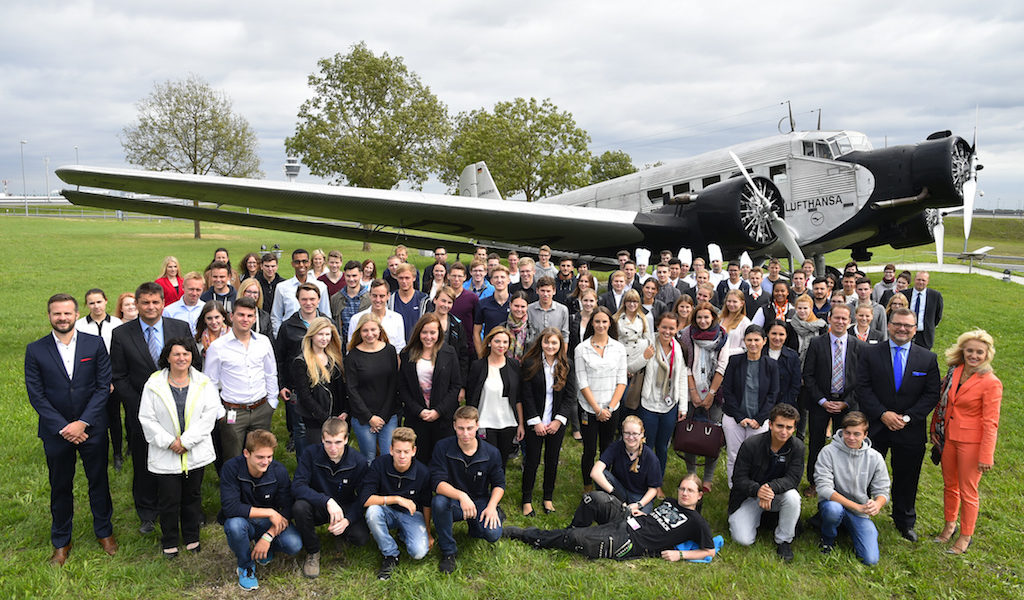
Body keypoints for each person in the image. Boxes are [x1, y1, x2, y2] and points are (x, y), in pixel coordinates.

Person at [25, 293, 116, 566]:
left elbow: (103, 387)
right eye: (56, 313)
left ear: (76, 314)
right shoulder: (36, 349)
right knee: (60, 486)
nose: (62, 318)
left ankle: (104, 532)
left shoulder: (94, 344)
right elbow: (36, 395)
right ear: (49, 316)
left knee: (98, 482)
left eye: (67, 313)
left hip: (92, 428)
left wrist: (82, 422)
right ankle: (61, 541)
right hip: (56, 432)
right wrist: (64, 427)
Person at [110, 282, 196, 534]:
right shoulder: (122, 334)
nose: (150, 307)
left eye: (155, 302)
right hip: (141, 411)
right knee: (144, 460)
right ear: (136, 305)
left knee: (178, 457)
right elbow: (119, 376)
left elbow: (193, 364)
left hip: (179, 408)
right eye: (145, 303)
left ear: (163, 303)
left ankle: (182, 506)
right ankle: (147, 512)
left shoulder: (179, 328)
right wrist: (143, 406)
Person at [855, 307, 940, 542]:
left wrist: (907, 417)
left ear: (915, 329)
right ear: (889, 325)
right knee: (866, 474)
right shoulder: (871, 353)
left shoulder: (927, 358)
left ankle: (904, 521)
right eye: (897, 324)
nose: (902, 329)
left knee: (907, 477)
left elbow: (932, 394)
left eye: (907, 326)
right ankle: (861, 515)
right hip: (876, 426)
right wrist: (883, 414)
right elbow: (862, 388)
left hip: (909, 430)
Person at [504, 474, 716, 562]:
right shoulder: (670, 501)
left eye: (689, 490)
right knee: (593, 499)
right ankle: (567, 534)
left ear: (699, 495)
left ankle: (526, 535)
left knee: (578, 538)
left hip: (630, 541)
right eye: (682, 488)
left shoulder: (697, 522)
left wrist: (680, 556)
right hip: (629, 519)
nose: (684, 493)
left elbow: (710, 551)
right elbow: (660, 521)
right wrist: (645, 514)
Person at [138, 338, 219, 557]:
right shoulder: (154, 384)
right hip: (166, 453)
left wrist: (186, 441)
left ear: (192, 356)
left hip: (194, 452)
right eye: (176, 354)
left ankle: (192, 537)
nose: (181, 358)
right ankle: (170, 540)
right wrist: (170, 442)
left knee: (192, 496)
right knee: (169, 500)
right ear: (167, 357)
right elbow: (147, 418)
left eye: (186, 354)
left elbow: (209, 415)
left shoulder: (203, 382)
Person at [930, 329, 1002, 555]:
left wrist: (986, 455)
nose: (974, 355)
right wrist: (936, 430)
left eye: (979, 352)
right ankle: (949, 525)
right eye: (970, 350)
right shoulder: (955, 371)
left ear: (987, 354)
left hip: (972, 443)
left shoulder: (991, 382)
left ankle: (965, 535)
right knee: (949, 485)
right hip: (949, 437)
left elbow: (991, 422)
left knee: (968, 491)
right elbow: (943, 403)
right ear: (963, 351)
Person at [219, 430, 301, 590]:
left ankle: (264, 545)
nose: (265, 461)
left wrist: (268, 537)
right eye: (260, 457)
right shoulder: (231, 468)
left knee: (294, 544)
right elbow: (230, 508)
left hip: (269, 523)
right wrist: (270, 512)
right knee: (234, 526)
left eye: (269, 457)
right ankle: (246, 566)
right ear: (246, 453)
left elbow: (287, 509)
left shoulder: (279, 470)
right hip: (243, 520)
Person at [430, 405, 505, 574]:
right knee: (438, 502)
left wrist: (492, 506)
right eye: (461, 428)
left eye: (470, 428)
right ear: (454, 426)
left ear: (477, 426)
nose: (465, 433)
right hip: (454, 501)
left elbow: (499, 484)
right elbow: (437, 483)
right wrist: (461, 496)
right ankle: (448, 552)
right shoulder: (442, 447)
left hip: (480, 501)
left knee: (492, 535)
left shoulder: (492, 452)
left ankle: (477, 524)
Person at [291, 417, 369, 579]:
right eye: (328, 442)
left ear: (347, 439)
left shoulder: (359, 461)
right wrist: (326, 501)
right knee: (299, 507)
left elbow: (363, 497)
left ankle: (341, 533)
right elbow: (298, 486)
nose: (333, 448)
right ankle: (313, 551)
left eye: (338, 442)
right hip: (318, 504)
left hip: (344, 507)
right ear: (322, 439)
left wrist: (348, 519)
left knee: (360, 538)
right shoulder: (310, 454)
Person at [204, 297, 280, 460]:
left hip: (261, 408)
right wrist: (220, 413)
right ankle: (233, 485)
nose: (245, 319)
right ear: (232, 316)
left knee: (260, 454)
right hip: (233, 412)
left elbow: (270, 373)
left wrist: (272, 402)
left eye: (250, 316)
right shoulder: (218, 347)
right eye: (241, 315)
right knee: (233, 457)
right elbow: (209, 382)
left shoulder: (263, 342)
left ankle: (258, 485)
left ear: (255, 318)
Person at [727, 403, 803, 562]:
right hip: (749, 497)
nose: (784, 431)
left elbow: (793, 478)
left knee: (793, 497)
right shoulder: (751, 444)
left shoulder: (797, 447)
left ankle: (784, 540)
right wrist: (757, 490)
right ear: (770, 424)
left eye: (789, 427)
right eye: (780, 426)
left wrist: (769, 489)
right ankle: (766, 519)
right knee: (743, 540)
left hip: (777, 495)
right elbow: (738, 479)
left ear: (794, 428)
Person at [814, 411, 890, 565]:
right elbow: (824, 489)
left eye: (857, 434)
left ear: (865, 434)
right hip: (833, 504)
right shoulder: (828, 452)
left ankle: (846, 525)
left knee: (871, 559)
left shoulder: (875, 457)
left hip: (859, 511)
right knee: (833, 510)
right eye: (847, 433)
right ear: (842, 431)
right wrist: (857, 507)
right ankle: (827, 539)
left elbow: (882, 490)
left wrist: (877, 504)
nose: (851, 438)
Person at [802, 304, 863, 495]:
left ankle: (840, 482)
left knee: (845, 444)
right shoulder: (817, 343)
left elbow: (863, 379)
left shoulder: (859, 346)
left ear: (850, 321)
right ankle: (814, 481)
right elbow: (808, 375)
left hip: (847, 403)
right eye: (836, 317)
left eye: (844, 318)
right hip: (821, 402)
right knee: (816, 444)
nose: (840, 322)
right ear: (829, 318)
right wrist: (821, 400)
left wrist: (846, 402)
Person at [520, 327, 577, 516]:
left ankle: (547, 498)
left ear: (560, 344)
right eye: (547, 342)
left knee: (552, 461)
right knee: (532, 461)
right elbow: (525, 395)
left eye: (554, 342)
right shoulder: (530, 363)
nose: (550, 346)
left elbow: (570, 397)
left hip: (556, 424)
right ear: (541, 343)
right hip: (535, 423)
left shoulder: (566, 365)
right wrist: (535, 422)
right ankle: (526, 499)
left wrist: (558, 421)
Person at [362, 427, 433, 580]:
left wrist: (428, 531)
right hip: (386, 510)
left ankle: (403, 534)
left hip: (412, 514)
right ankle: (391, 554)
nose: (402, 456)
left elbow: (427, 504)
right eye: (398, 451)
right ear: (391, 449)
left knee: (418, 553)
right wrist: (396, 499)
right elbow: (365, 499)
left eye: (406, 452)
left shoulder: (423, 472)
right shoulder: (379, 464)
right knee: (372, 512)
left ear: (414, 451)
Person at [399, 313, 463, 464]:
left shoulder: (449, 353)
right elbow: (402, 388)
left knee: (442, 460)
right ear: (418, 333)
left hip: (442, 418)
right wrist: (419, 411)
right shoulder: (407, 354)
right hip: (416, 418)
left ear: (439, 333)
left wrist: (438, 411)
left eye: (432, 332)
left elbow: (455, 386)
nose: (429, 337)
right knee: (419, 460)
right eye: (425, 332)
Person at [678, 302, 729, 492]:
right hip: (691, 391)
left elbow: (722, 366)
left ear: (713, 318)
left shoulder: (723, 336)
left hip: (714, 394)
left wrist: (710, 395)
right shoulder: (686, 334)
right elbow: (685, 365)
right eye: (699, 317)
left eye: (706, 317)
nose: (703, 320)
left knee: (712, 436)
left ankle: (707, 479)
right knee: (690, 433)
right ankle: (691, 474)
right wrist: (694, 393)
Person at [575, 306, 627, 490]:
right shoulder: (582, 349)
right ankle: (588, 484)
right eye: (597, 321)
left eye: (604, 321)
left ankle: (604, 484)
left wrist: (609, 409)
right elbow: (582, 383)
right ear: (592, 323)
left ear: (610, 324)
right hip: (589, 409)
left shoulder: (619, 348)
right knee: (589, 449)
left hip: (612, 408)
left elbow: (622, 381)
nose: (601, 325)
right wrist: (597, 410)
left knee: (608, 447)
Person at [721, 324, 779, 486]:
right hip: (734, 418)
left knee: (757, 457)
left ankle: (751, 487)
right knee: (734, 455)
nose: (753, 343)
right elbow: (727, 391)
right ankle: (734, 488)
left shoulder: (771, 365)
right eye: (749, 340)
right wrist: (740, 417)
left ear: (764, 341)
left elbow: (772, 395)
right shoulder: (735, 361)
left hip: (759, 420)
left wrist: (759, 420)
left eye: (757, 340)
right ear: (744, 341)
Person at [275, 283, 328, 455]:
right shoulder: (288, 326)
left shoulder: (327, 323)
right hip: (296, 387)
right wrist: (282, 385)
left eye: (312, 299)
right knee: (301, 429)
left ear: (319, 300)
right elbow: (280, 358)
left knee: (324, 427)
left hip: (323, 388)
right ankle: (303, 466)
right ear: (298, 300)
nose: (308, 303)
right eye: (304, 299)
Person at [637, 312, 688, 482]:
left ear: (677, 329)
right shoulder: (649, 343)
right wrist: (644, 357)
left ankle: (657, 481)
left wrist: (682, 407)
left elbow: (681, 377)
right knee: (647, 445)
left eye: (671, 328)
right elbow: (631, 366)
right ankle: (643, 479)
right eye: (664, 327)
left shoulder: (677, 348)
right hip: (649, 405)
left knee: (662, 447)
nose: (667, 331)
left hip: (669, 405)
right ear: (658, 326)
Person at [345, 313, 400, 462]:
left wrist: (382, 416)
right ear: (359, 332)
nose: (370, 334)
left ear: (380, 330)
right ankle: (370, 485)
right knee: (368, 458)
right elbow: (352, 390)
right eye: (365, 331)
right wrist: (369, 417)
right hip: (363, 417)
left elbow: (393, 384)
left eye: (373, 330)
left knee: (388, 456)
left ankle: (387, 485)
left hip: (388, 414)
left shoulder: (390, 351)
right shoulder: (352, 356)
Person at [467, 326, 524, 471]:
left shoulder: (514, 365)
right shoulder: (478, 366)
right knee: (485, 460)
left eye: (505, 342)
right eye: (497, 341)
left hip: (508, 422)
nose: (501, 345)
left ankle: (498, 489)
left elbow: (518, 397)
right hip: (484, 422)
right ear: (489, 342)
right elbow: (471, 397)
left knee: (502, 461)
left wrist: (521, 424)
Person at [290, 317, 348, 448]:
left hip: (338, 416)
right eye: (320, 334)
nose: (324, 338)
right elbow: (305, 396)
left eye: (327, 334)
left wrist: (344, 411)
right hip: (314, 420)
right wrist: (325, 418)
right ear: (311, 335)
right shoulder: (301, 361)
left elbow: (341, 388)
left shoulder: (335, 359)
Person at [588, 415, 662, 515]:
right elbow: (595, 473)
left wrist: (638, 505)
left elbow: (653, 489)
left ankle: (617, 508)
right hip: (619, 489)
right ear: (622, 433)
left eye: (635, 434)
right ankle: (613, 504)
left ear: (642, 434)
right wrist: (615, 493)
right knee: (603, 474)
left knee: (638, 523)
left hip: (639, 496)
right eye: (627, 433)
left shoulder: (651, 458)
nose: (631, 437)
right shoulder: (616, 447)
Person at [271, 249, 330, 336]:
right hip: (290, 336)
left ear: (309, 263)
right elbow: (276, 316)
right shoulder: (282, 287)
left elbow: (326, 315)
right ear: (292, 264)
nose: (301, 265)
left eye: (304, 261)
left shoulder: (321, 287)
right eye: (297, 262)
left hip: (316, 335)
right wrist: (279, 336)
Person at [614, 290, 654, 417]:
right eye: (629, 301)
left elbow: (648, 340)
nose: (632, 304)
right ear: (624, 302)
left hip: (638, 361)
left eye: (635, 301)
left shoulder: (643, 318)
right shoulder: (616, 319)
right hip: (621, 361)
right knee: (621, 397)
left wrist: (640, 361)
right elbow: (613, 342)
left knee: (633, 399)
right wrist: (623, 366)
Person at [348, 279, 406, 353]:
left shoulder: (397, 318)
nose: (378, 300)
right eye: (374, 296)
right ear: (369, 295)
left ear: (388, 296)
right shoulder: (357, 319)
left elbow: (400, 347)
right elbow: (351, 346)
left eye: (382, 296)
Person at [329, 259, 370, 344]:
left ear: (361, 275)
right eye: (348, 276)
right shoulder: (335, 299)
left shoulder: (369, 299)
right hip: (342, 345)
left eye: (354, 276)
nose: (351, 279)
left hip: (364, 344)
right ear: (344, 276)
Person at [474, 264, 512, 353]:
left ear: (508, 280)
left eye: (502, 277)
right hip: (489, 352)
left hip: (511, 353)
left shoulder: (515, 304)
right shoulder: (483, 304)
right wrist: (481, 354)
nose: (499, 280)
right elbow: (476, 332)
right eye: (496, 277)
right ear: (491, 281)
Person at [390, 263, 429, 346]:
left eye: (407, 278)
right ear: (396, 278)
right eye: (401, 278)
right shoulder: (390, 299)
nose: (404, 281)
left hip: (418, 346)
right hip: (396, 347)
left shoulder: (424, 300)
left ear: (414, 278)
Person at [902, 271, 943, 349]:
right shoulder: (904, 294)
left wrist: (929, 325)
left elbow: (938, 315)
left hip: (925, 335)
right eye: (918, 279)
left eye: (923, 280)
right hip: (906, 332)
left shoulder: (935, 296)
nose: (920, 282)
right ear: (914, 280)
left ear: (927, 281)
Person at [447, 262, 480, 358]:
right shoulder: (443, 296)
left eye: (459, 276)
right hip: (446, 345)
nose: (456, 279)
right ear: (448, 276)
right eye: (453, 276)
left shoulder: (472, 298)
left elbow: (476, 322)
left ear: (465, 277)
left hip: (467, 347)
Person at [766, 320, 801, 409]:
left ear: (786, 336)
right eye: (774, 333)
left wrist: (783, 406)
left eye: (781, 334)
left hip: (785, 406)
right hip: (761, 406)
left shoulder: (793, 356)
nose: (777, 338)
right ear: (767, 334)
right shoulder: (759, 353)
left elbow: (795, 385)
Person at [526, 277, 570, 345]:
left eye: (548, 291)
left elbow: (565, 335)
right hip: (534, 350)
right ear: (537, 290)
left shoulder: (563, 310)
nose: (545, 294)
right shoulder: (529, 309)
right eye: (542, 291)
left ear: (554, 291)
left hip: (554, 349)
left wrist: (562, 354)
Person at [505, 292, 531, 362]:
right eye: (516, 306)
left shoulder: (532, 328)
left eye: (522, 307)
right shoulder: (502, 327)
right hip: (505, 367)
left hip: (526, 368)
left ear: (527, 307)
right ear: (510, 305)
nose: (519, 309)